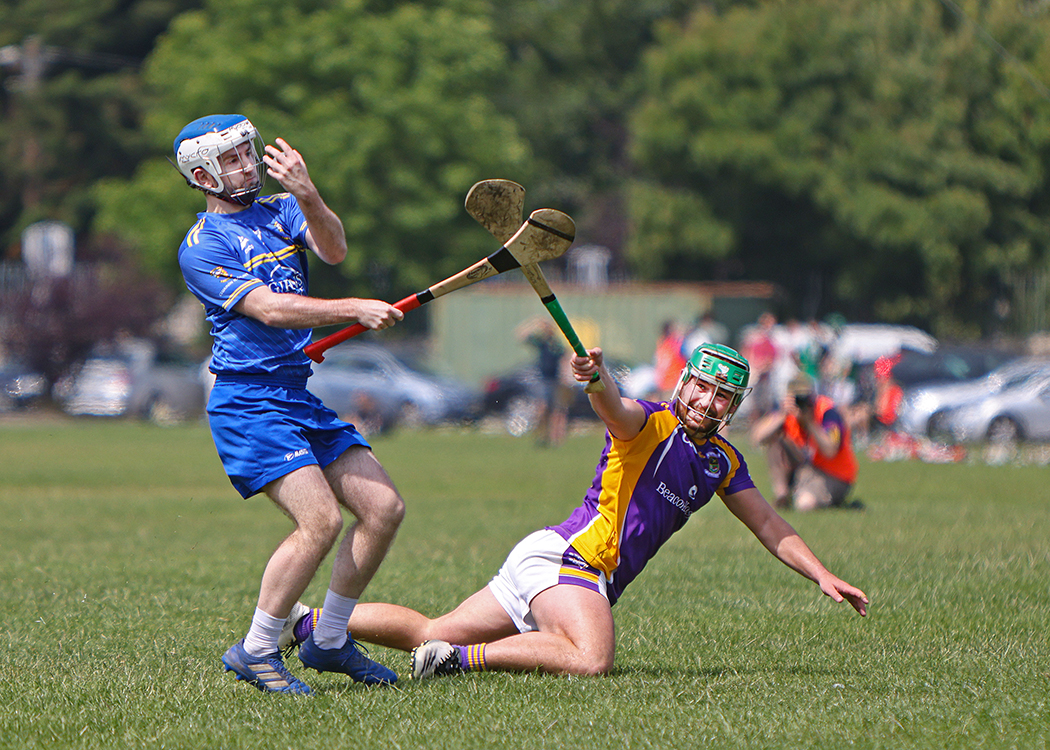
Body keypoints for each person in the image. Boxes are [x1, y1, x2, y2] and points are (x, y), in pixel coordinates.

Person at [279, 344, 869, 678]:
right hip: (571, 561)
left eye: (721, 394)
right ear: (683, 382)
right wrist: (598, 378)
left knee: (429, 629)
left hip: (552, 562)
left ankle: (303, 623)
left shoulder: (723, 462)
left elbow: (769, 523)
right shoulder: (650, 423)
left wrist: (820, 572)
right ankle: (458, 662)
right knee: (591, 660)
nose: (705, 399)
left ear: (732, 404)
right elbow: (614, 407)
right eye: (700, 385)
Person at [173, 114, 406, 695]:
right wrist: (352, 307)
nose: (248, 165)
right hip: (248, 403)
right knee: (321, 520)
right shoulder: (202, 247)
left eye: (249, 153)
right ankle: (256, 648)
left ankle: (327, 640)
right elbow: (271, 310)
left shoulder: (280, 210)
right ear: (202, 174)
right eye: (232, 160)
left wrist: (308, 192)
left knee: (382, 511)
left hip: (295, 395)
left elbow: (333, 249)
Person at [749, 372, 859, 511]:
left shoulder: (827, 412)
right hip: (806, 469)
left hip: (834, 475)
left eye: (804, 398)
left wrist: (810, 423)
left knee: (804, 504)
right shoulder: (786, 413)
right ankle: (781, 494)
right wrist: (782, 415)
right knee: (775, 441)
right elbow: (756, 438)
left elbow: (830, 451)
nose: (801, 403)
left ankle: (830, 499)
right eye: (796, 398)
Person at [516, 317, 571, 446]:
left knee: (558, 410)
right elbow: (521, 335)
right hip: (543, 380)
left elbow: (564, 358)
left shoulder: (556, 344)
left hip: (556, 380)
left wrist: (566, 377)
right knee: (542, 407)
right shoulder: (542, 342)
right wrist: (534, 325)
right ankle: (541, 435)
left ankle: (556, 438)